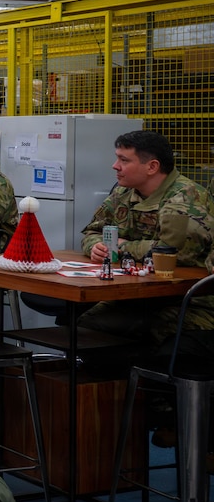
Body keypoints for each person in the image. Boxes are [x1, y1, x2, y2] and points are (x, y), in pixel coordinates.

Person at [78, 130, 214, 345]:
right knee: (89, 327)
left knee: (155, 334)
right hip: (137, 296)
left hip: (186, 299)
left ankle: (138, 377)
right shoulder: (123, 193)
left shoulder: (184, 198)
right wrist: (96, 246)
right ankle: (113, 378)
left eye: (124, 160)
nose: (115, 166)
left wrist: (123, 247)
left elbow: (173, 253)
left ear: (152, 167)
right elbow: (93, 231)